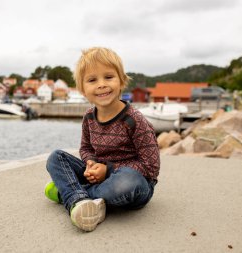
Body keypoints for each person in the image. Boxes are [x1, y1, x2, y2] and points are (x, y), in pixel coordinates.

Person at [45, 47, 160, 232]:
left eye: (108, 77)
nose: (101, 84)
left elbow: (151, 167)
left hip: (134, 183)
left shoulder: (134, 120)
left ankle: (70, 194)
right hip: (98, 175)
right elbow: (85, 148)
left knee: (127, 181)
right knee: (55, 157)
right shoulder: (89, 117)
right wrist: (90, 162)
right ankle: (84, 202)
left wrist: (108, 170)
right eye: (92, 80)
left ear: (121, 81)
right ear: (83, 89)